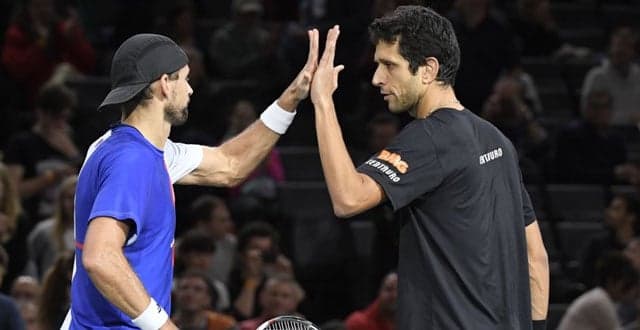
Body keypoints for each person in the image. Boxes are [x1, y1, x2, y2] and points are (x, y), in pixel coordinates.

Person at [308, 6, 549, 330]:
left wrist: (323, 103)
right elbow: (536, 258)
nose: (377, 78)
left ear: (427, 69)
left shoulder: (428, 140)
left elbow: (348, 198)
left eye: (389, 65)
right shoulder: (498, 141)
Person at [62, 30, 318, 329]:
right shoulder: (133, 161)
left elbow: (230, 165)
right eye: (184, 78)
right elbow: (100, 257)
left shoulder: (141, 151)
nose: (190, 89)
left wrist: (292, 97)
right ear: (164, 85)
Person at [557, 252, 638, 330]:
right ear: (611, 282)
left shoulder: (599, 297)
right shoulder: (600, 301)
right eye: (626, 284)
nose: (630, 290)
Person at [26, 175, 76, 280]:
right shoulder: (44, 231)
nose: (74, 203)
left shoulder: (96, 233)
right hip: (51, 292)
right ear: (60, 201)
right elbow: (30, 261)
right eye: (69, 198)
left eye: (78, 197)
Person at [172, 271, 236, 330]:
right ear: (176, 295)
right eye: (184, 288)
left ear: (208, 298)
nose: (189, 293)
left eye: (198, 289)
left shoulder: (225, 326)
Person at [238, 274, 306, 330]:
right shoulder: (246, 327)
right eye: (274, 294)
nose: (278, 300)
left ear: (295, 301)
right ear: (263, 297)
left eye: (285, 296)